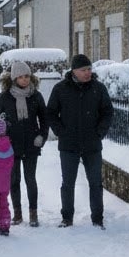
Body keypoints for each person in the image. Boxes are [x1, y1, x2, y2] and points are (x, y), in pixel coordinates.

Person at [45, 53, 114, 229]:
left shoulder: (98, 88)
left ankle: (97, 219)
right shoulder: (61, 89)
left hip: (92, 144)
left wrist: (99, 132)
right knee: (68, 183)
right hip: (69, 145)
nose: (87, 73)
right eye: (83, 70)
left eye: (89, 69)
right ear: (74, 71)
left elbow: (108, 112)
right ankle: (67, 217)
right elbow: (51, 113)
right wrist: (61, 132)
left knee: (96, 183)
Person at [0, 60, 50, 227]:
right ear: (14, 78)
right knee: (14, 180)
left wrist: (42, 137)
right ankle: (17, 213)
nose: (25, 80)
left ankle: (33, 213)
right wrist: (3, 129)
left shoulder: (36, 96)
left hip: (32, 144)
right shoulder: (4, 97)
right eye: (21, 77)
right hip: (11, 145)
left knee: (30, 179)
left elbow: (44, 119)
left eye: (27, 76)